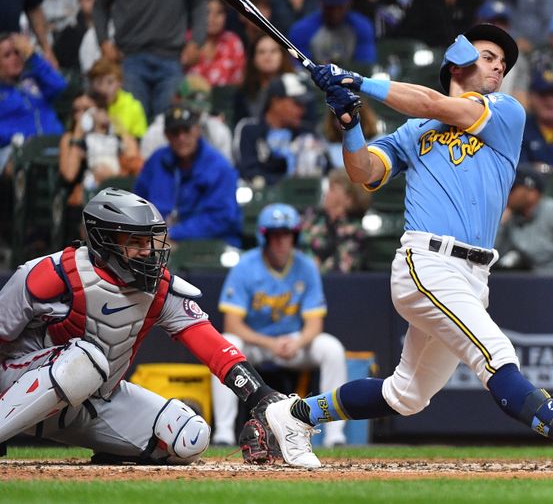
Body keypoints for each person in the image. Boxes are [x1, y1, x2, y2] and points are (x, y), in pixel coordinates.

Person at [253, 23, 553, 469]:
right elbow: (363, 173)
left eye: (503, 61)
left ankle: (293, 414)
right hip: (427, 263)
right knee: (495, 354)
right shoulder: (412, 131)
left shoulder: (505, 111)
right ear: (458, 61)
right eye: (489, 55)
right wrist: (349, 122)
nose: (499, 65)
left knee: (407, 394)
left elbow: (436, 103)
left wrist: (357, 81)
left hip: (475, 273)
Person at [0, 188, 290, 464]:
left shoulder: (159, 288)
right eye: (135, 242)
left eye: (150, 242)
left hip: (92, 403)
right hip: (16, 389)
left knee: (190, 438)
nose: (147, 251)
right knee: (86, 359)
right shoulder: (51, 274)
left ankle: (114, 447)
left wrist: (261, 395)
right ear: (104, 239)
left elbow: (211, 345)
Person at [210, 203, 349, 447]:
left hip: (293, 343)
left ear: (294, 236)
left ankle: (335, 435)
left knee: (332, 348)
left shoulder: (305, 266)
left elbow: (314, 323)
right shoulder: (246, 266)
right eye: (275, 235)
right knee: (227, 344)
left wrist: (298, 342)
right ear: (264, 237)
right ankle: (223, 432)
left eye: (286, 234)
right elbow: (232, 324)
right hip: (257, 344)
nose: (281, 241)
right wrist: (270, 343)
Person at [135, 106, 242, 247]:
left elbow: (221, 218)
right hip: (157, 242)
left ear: (197, 131)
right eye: (175, 132)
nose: (181, 138)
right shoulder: (156, 161)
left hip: (208, 245)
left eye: (186, 131)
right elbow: (138, 203)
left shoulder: (218, 166)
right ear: (167, 135)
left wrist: (173, 233)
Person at [58, 92, 143, 240]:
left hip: (116, 193)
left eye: (86, 110)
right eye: (76, 111)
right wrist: (79, 133)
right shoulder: (71, 139)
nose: (80, 115)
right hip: (85, 199)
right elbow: (69, 174)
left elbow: (134, 160)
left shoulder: (116, 137)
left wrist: (117, 126)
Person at [235, 72, 323, 185]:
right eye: (297, 103)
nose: (302, 110)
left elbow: (323, 171)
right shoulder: (249, 130)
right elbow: (249, 172)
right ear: (276, 101)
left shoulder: (307, 134)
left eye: (303, 105)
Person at [0, 32, 65, 171]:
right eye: (7, 55)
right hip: (18, 152)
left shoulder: (35, 79)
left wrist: (32, 56)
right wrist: (17, 136)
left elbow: (60, 86)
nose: (15, 58)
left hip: (54, 145)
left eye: (18, 52)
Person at [289, 0, 377, 65]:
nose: (335, 12)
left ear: (349, 3)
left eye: (339, 7)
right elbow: (300, 69)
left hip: (353, 77)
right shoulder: (301, 30)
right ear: (321, 3)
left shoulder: (362, 27)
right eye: (330, 7)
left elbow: (365, 66)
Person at [300, 167, 371, 273]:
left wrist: (312, 269)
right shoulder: (312, 216)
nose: (326, 194)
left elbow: (342, 269)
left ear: (348, 199)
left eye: (332, 189)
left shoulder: (355, 233)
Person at [188, 0, 246, 88]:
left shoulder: (233, 42)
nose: (212, 18)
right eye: (207, 12)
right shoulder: (187, 39)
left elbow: (238, 83)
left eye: (219, 12)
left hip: (224, 99)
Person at [87, 57, 148, 139]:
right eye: (99, 82)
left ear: (120, 82)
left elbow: (138, 142)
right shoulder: (87, 105)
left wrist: (110, 122)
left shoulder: (134, 106)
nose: (104, 89)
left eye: (110, 82)